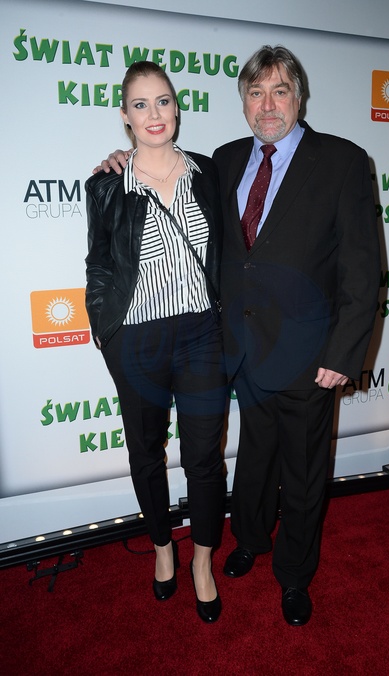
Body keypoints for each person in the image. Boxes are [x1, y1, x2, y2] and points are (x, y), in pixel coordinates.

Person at [95, 44, 380, 627]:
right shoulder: (221, 162)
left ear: (299, 96)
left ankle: (294, 575)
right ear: (243, 102)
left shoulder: (344, 161)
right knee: (252, 459)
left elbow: (363, 267)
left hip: (309, 356)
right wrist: (116, 160)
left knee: (303, 473)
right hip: (239, 350)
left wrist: (343, 353)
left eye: (279, 91)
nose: (267, 105)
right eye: (255, 92)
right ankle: (249, 538)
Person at [85, 60, 227, 623]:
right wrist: (106, 332)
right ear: (125, 115)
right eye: (140, 104)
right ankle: (164, 549)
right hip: (136, 339)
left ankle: (202, 561)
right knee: (147, 454)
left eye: (162, 101)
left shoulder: (209, 172)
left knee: (204, 457)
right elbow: (99, 265)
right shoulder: (106, 184)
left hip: (202, 334)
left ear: (177, 107)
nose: (153, 114)